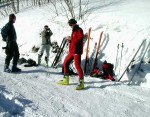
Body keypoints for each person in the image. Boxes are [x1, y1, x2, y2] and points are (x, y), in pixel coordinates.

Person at [57, 18, 84, 90]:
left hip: (76, 51)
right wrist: (70, 40)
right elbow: (74, 40)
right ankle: (66, 80)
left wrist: (73, 41)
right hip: (71, 51)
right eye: (69, 24)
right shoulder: (73, 31)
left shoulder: (79, 30)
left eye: (71, 24)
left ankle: (81, 83)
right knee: (65, 63)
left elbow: (80, 40)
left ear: (74, 23)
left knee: (77, 66)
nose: (70, 26)